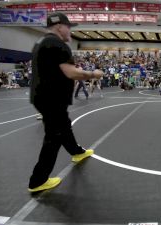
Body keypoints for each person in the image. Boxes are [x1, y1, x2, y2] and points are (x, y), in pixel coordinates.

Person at [28, 13, 104, 192]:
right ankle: (38, 181)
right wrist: (94, 74)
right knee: (53, 137)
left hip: (43, 96)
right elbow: (70, 72)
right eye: (68, 26)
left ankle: (77, 152)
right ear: (59, 26)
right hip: (51, 98)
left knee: (63, 126)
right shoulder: (57, 44)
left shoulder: (41, 43)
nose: (70, 30)